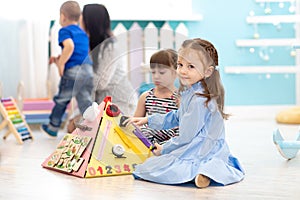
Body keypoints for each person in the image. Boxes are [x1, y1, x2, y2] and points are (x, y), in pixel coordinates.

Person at [129, 38, 245, 188]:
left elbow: (186, 136)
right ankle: (205, 172)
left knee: (148, 170)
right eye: (180, 65)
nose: (183, 71)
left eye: (191, 67)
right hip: (205, 145)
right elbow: (177, 116)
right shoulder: (192, 91)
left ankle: (203, 173)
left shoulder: (199, 99)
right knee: (159, 166)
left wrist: (165, 148)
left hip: (199, 145)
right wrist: (148, 120)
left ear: (208, 71)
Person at [41, 1, 93, 137]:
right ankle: (93, 126)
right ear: (79, 17)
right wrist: (60, 58)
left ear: (63, 16)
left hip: (73, 71)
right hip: (87, 70)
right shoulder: (83, 33)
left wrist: (62, 64)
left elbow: (69, 47)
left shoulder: (64, 30)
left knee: (62, 99)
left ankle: (53, 127)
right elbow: (80, 52)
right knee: (85, 101)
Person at [81, 4, 138, 114]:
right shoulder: (91, 46)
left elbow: (101, 82)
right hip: (102, 103)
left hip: (120, 102)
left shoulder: (110, 47)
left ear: (90, 22)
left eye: (82, 18)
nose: (80, 22)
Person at [134, 49, 179, 144]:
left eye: (162, 72)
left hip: (167, 147)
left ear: (175, 73)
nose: (156, 76)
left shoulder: (179, 99)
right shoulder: (146, 97)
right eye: (153, 72)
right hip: (144, 143)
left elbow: (182, 130)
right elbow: (135, 125)